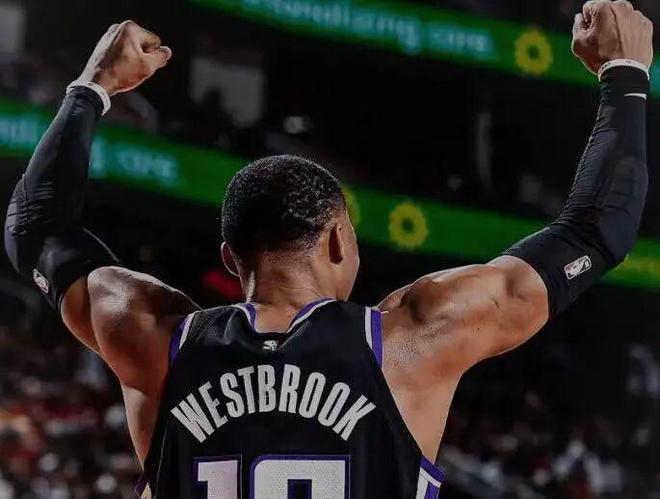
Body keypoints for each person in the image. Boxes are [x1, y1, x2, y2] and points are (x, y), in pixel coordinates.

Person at [3, 1, 653, 497]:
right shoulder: (411, 341)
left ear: (230, 257)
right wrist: (624, 77)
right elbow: (597, 230)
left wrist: (91, 87)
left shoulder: (154, 337)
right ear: (339, 238)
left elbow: (36, 226)